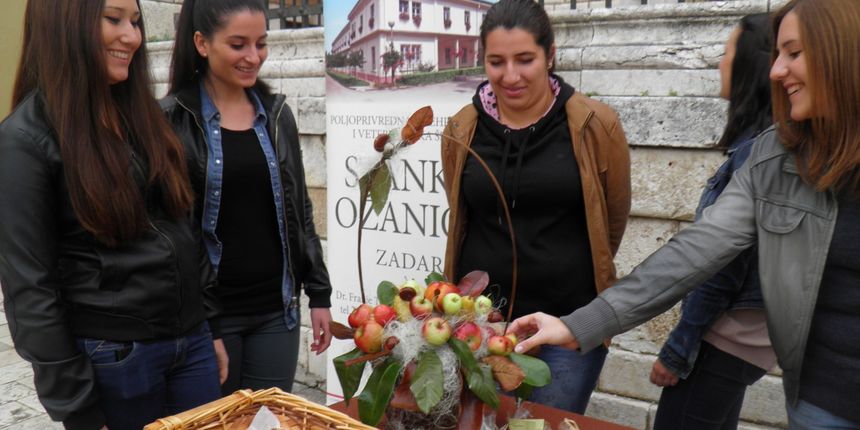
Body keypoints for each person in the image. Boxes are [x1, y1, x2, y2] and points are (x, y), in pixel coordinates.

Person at [508, 0, 860, 427]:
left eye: (794, 53)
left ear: (842, 51)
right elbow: (694, 253)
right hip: (819, 400)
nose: (776, 71)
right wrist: (580, 325)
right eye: (777, 53)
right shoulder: (774, 156)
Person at [0, 0, 225, 429]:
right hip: (117, 360)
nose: (132, 37)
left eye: (136, 22)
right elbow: (30, 290)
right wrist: (77, 408)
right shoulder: (25, 141)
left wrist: (208, 326)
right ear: (66, 23)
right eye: (114, 19)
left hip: (190, 343)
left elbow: (184, 225)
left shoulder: (146, 117)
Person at [441, 0, 631, 414]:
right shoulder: (461, 127)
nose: (510, 76)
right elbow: (464, 217)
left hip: (567, 327)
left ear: (550, 54)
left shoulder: (596, 125)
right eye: (496, 62)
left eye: (525, 59)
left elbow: (611, 221)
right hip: (479, 326)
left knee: (543, 425)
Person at [161, 0, 333, 395]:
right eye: (238, 45)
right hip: (210, 320)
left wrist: (319, 293)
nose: (253, 57)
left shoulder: (275, 113)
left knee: (269, 421)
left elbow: (299, 208)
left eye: (261, 43)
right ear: (202, 43)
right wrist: (208, 323)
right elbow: (175, 235)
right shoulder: (172, 119)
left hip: (277, 312)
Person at [649, 13, 775, 429]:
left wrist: (678, 350)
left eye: (726, 53)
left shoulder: (753, 155)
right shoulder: (766, 147)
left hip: (722, 338)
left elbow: (720, 264)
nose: (720, 63)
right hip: (744, 341)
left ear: (748, 68)